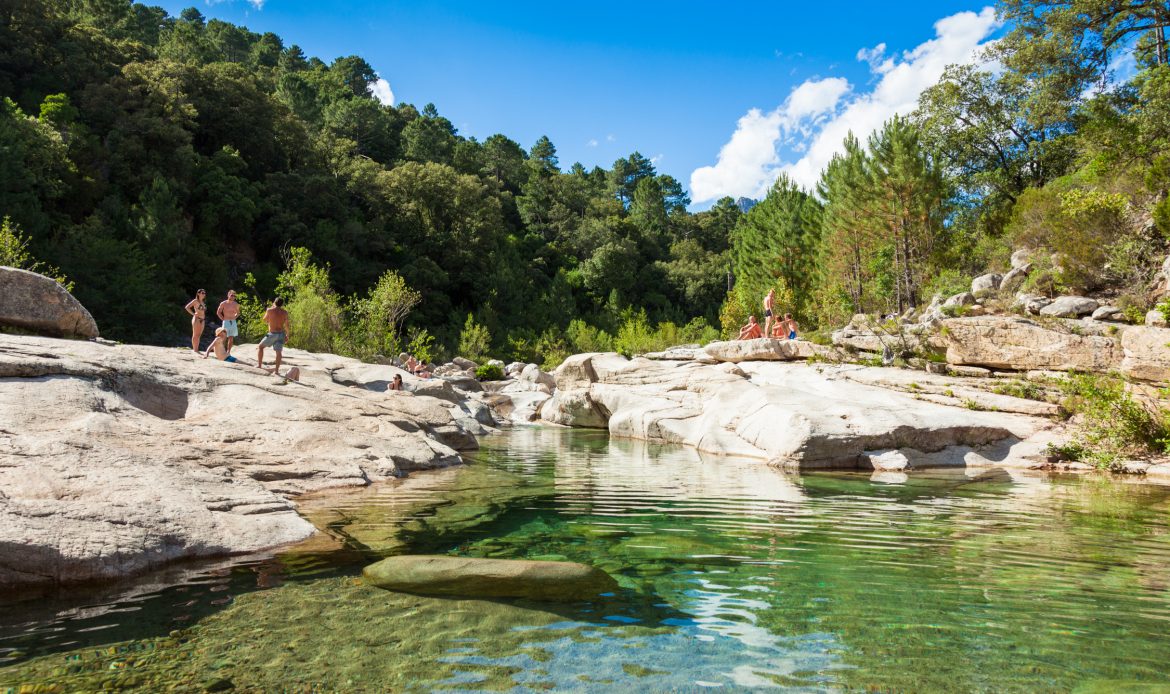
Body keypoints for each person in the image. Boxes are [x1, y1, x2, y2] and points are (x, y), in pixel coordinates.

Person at [256, 297, 290, 375]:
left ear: (274, 302)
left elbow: (264, 319)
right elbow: (287, 325)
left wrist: (270, 315)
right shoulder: (285, 312)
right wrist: (287, 335)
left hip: (272, 333)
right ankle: (277, 371)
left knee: (260, 347)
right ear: (282, 304)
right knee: (279, 352)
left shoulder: (269, 310)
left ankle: (259, 365)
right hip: (281, 333)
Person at [216, 290, 241, 354]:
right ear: (228, 295)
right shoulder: (223, 303)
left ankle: (228, 351)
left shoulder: (236, 304)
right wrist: (223, 319)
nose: (233, 297)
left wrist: (234, 317)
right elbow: (218, 312)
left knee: (231, 337)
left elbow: (238, 313)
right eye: (232, 295)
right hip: (226, 321)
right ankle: (221, 350)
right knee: (223, 336)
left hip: (233, 321)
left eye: (234, 296)